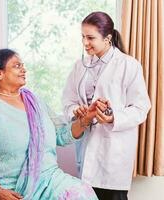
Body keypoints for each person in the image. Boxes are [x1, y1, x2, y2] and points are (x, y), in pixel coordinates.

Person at [0, 49, 98, 200]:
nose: (23, 69)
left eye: (23, 65)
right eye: (16, 66)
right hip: (5, 185)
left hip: (48, 180)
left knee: (82, 194)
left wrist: (85, 119)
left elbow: (61, 135)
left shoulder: (35, 101)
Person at [62, 11, 151, 200]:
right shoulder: (80, 66)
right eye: (83, 37)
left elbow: (141, 108)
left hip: (113, 151)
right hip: (86, 148)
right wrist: (75, 110)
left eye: (90, 38)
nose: (85, 43)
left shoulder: (129, 65)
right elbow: (67, 101)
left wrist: (113, 118)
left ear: (107, 38)